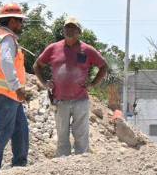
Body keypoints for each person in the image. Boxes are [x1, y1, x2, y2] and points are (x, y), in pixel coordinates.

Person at [36, 17, 108, 156]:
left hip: (80, 100)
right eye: (66, 28)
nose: (69, 30)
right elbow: (37, 65)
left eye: (73, 28)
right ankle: (63, 165)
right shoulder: (53, 48)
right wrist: (44, 83)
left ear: (79, 32)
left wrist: (93, 84)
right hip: (60, 100)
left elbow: (103, 66)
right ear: (63, 30)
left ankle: (81, 166)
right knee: (62, 136)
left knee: (81, 135)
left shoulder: (87, 50)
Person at [0, 3, 34, 174]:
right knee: (4, 128)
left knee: (20, 128)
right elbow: (6, 62)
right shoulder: (7, 38)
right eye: (20, 21)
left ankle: (20, 166)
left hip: (6, 93)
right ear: (12, 21)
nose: (21, 25)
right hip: (4, 92)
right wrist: (17, 86)